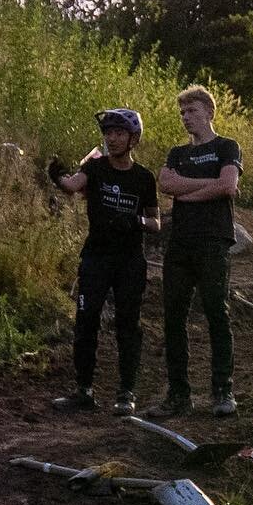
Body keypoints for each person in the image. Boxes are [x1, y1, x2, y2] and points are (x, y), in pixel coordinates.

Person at [47, 109, 161, 415]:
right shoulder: (96, 168)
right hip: (96, 257)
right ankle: (83, 390)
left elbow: (155, 222)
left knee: (128, 324)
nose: (112, 138)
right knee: (86, 321)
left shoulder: (144, 177)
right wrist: (56, 174)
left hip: (129, 261)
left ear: (132, 139)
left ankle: (126, 393)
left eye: (119, 133)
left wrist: (134, 220)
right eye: (109, 133)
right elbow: (72, 186)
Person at [145, 85, 241, 419]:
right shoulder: (177, 154)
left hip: (214, 241)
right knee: (173, 317)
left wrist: (187, 191)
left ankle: (222, 392)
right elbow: (165, 184)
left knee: (217, 312)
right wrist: (206, 187)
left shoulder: (226, 147)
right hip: (180, 244)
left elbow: (228, 186)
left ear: (209, 113)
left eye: (193, 112)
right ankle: (178, 395)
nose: (186, 118)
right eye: (183, 113)